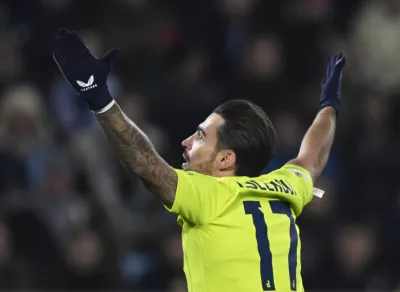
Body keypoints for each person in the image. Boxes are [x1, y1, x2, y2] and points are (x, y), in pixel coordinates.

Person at [53, 28, 345, 292]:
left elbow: (144, 164)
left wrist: (100, 98)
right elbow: (314, 155)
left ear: (225, 160)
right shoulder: (286, 186)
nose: (187, 142)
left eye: (201, 137)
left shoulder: (209, 195)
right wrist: (329, 105)